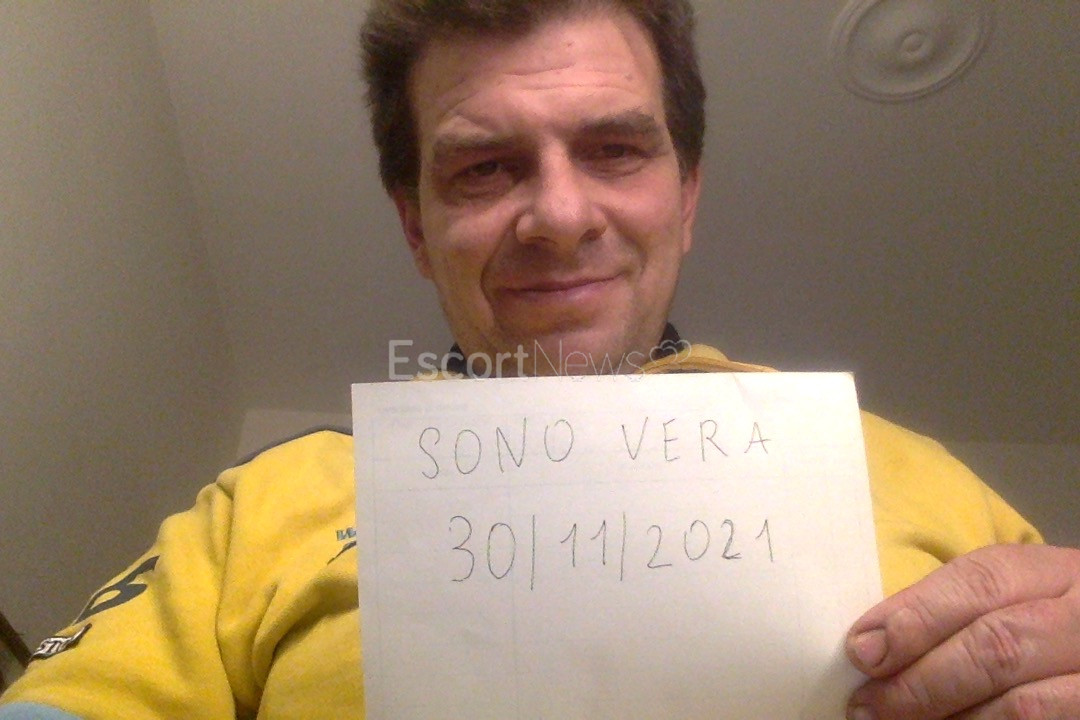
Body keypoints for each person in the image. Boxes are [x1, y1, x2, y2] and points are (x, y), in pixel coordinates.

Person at [2, 1, 1077, 718]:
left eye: (615, 149)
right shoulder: (258, 509)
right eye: (484, 168)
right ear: (417, 228)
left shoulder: (919, 473)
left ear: (686, 197)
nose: (560, 216)